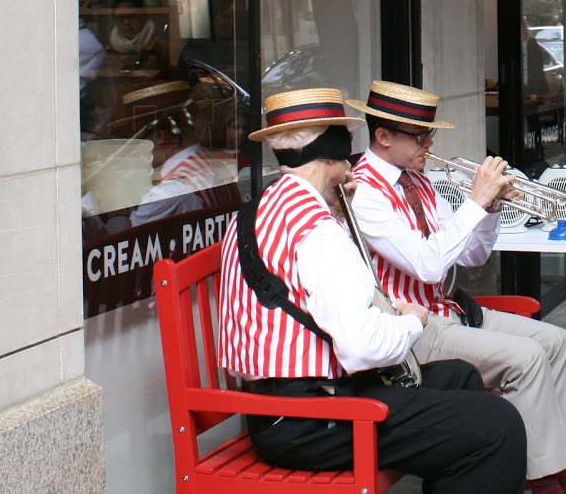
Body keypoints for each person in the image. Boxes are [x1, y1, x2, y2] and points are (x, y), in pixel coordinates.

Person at [215, 88, 527, 493]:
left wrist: (342, 216)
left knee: (459, 376)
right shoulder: (318, 230)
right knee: (497, 426)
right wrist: (411, 322)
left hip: (282, 407)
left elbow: (309, 298)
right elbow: (363, 348)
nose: (350, 171)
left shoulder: (267, 205)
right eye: (346, 159)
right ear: (329, 158)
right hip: (309, 419)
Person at [347, 80, 566, 494]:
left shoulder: (419, 181)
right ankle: (542, 483)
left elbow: (471, 256)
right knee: (526, 358)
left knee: (557, 342)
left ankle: (563, 471)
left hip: (450, 311)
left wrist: (489, 210)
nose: (429, 144)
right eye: (420, 136)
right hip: (411, 328)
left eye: (430, 134)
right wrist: (473, 201)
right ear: (382, 137)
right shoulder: (364, 194)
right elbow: (428, 264)